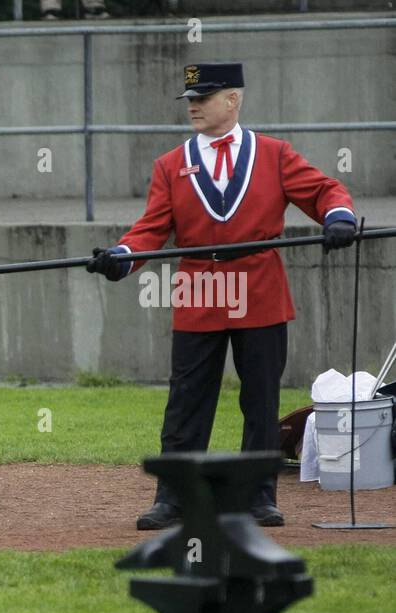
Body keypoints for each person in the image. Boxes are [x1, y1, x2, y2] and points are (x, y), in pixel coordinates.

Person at [87, 62, 357, 530]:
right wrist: (122, 256)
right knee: (187, 400)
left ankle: (258, 497)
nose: (193, 105)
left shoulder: (274, 154)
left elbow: (324, 191)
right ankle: (173, 497)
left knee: (260, 400)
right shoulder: (171, 165)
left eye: (204, 97)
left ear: (233, 100)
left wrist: (337, 217)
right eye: (190, 98)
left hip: (260, 291)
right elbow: (151, 229)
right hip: (199, 290)